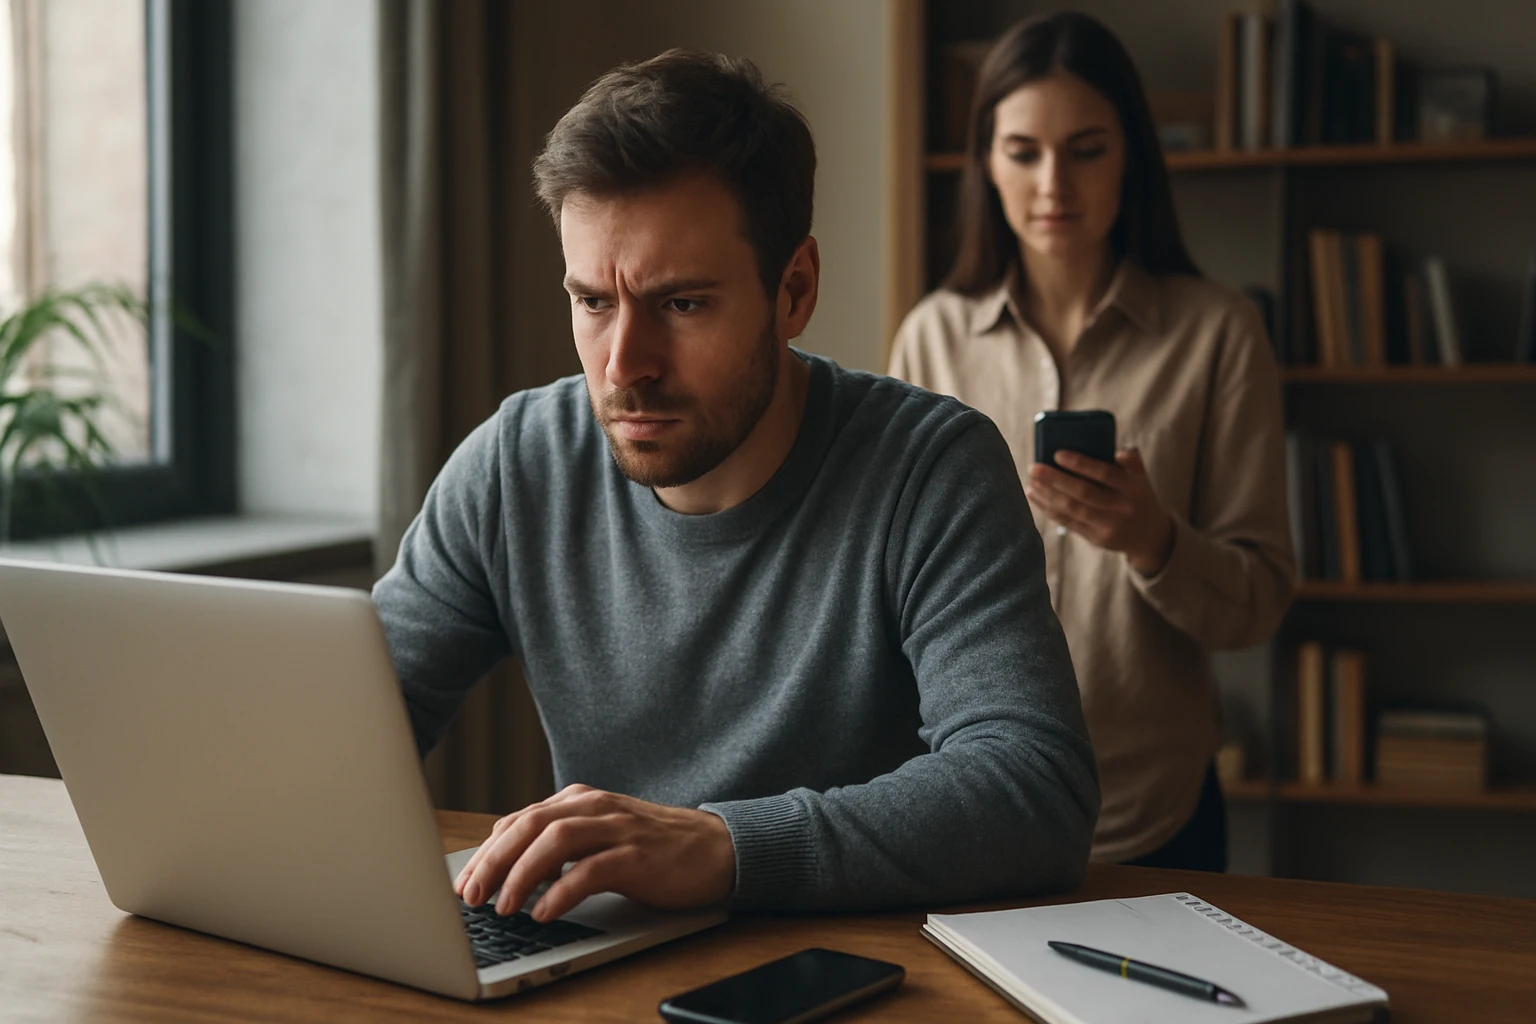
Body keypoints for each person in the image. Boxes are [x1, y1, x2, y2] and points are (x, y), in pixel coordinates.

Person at [372, 49, 1098, 922]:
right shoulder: (514, 464)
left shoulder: (931, 470)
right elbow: (354, 722)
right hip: (594, 971)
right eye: (593, 302)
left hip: (853, 980)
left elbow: (1034, 788)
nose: (623, 366)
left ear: (793, 291)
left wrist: (725, 847)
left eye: (681, 305)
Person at [889, 13, 1294, 872]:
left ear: (1132, 156)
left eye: (1086, 149)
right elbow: (891, 591)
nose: (1053, 184)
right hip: (968, 801)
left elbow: (1259, 601)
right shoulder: (932, 339)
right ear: (987, 162)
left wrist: (1154, 541)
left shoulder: (1219, 332)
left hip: (1157, 811)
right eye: (1024, 150)